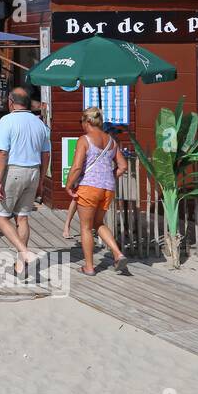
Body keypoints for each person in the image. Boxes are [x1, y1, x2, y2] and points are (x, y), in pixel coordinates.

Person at [0, 88, 51, 277]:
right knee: (22, 218)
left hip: (14, 171)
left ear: (10, 101)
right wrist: (41, 179)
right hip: (33, 170)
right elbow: (46, 153)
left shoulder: (7, 121)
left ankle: (25, 253)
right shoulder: (39, 123)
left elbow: (1, 153)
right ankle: (20, 265)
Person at [65, 107, 129, 276]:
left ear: (87, 122)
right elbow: (123, 166)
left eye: (82, 122)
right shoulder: (111, 141)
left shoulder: (84, 140)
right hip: (107, 188)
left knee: (86, 228)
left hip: (89, 187)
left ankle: (89, 267)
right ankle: (118, 253)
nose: (81, 126)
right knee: (98, 223)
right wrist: (108, 176)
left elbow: (78, 166)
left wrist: (69, 184)